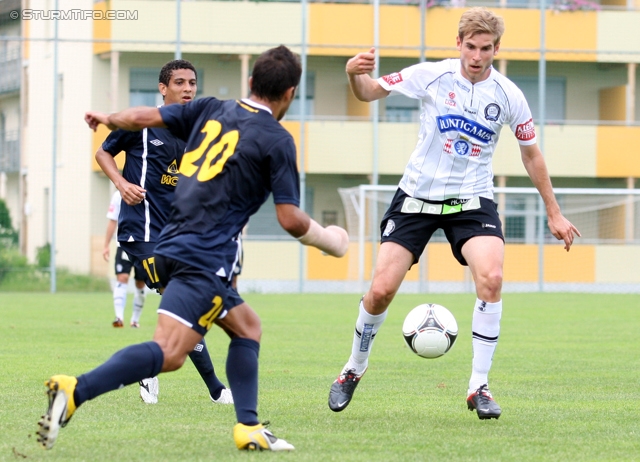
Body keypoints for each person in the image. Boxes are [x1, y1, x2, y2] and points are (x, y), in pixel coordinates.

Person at [38, 45, 349, 452]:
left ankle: (248, 426)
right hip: (205, 255)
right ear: (290, 93)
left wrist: (107, 118)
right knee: (169, 353)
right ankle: (75, 389)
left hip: (175, 243)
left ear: (251, 82)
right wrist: (332, 241)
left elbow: (142, 117)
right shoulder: (277, 139)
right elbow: (290, 219)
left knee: (247, 327)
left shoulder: (210, 108)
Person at [327, 7, 581, 419]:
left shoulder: (508, 95)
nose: (477, 56)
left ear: (497, 49)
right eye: (470, 47)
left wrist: (554, 213)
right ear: (458, 43)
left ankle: (479, 386)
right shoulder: (432, 75)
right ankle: (353, 369)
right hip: (416, 196)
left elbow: (531, 154)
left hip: (472, 200)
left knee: (492, 277)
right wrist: (354, 73)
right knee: (379, 292)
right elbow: (369, 92)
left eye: (486, 49)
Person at [94, 60, 233, 406]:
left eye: (192, 83)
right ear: (163, 88)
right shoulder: (142, 125)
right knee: (180, 299)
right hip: (139, 232)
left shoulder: (198, 132)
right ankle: (216, 389)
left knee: (185, 305)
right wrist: (121, 182)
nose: (187, 89)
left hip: (176, 235)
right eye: (180, 82)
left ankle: (148, 368)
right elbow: (103, 152)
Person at [103, 190, 147, 328]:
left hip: (144, 245)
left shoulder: (148, 191)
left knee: (141, 283)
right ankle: (119, 317)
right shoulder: (118, 195)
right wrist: (106, 245)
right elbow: (112, 220)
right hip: (124, 243)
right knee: (122, 278)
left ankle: (135, 320)